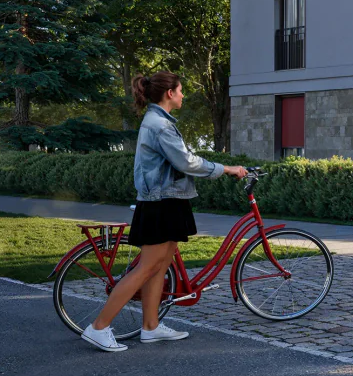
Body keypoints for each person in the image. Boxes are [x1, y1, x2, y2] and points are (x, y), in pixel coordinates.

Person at [81, 72, 248, 353]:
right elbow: (186, 162)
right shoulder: (160, 125)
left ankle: (151, 326)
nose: (183, 95)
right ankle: (98, 327)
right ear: (169, 93)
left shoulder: (159, 121)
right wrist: (226, 169)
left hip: (169, 200)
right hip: (160, 202)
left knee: (160, 266)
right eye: (181, 90)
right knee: (147, 267)